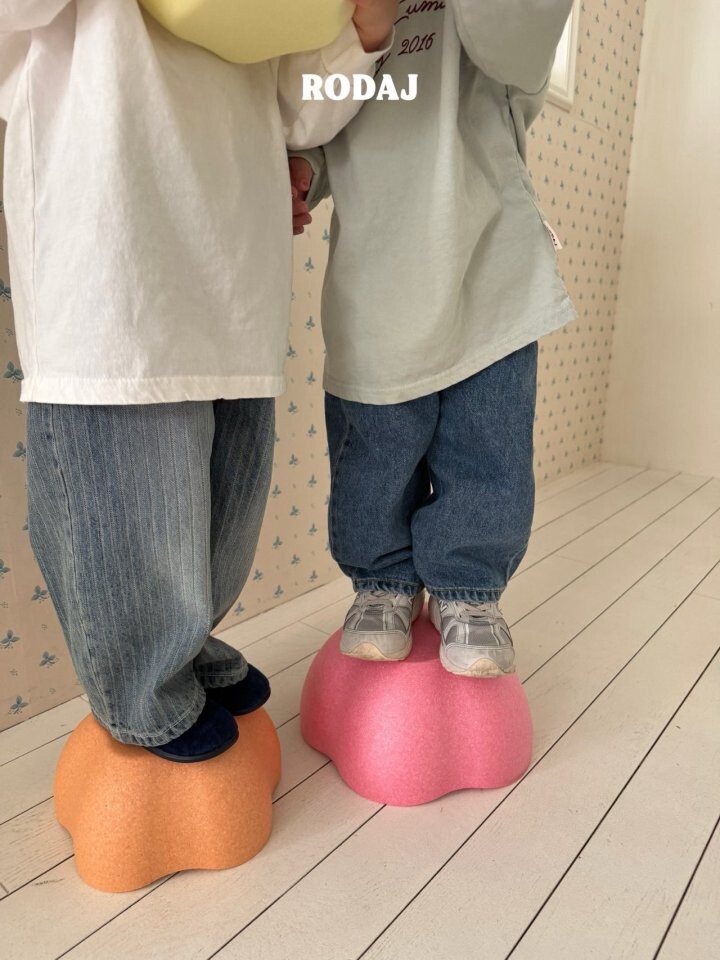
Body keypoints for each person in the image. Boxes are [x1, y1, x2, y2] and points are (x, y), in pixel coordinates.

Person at [0, 0, 397, 762]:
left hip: (235, 255)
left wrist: (366, 35)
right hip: (110, 244)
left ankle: (183, 643)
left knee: (223, 502)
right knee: (125, 491)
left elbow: (302, 111)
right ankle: (141, 688)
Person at [290, 0, 577, 678]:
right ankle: (381, 579)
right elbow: (322, 109)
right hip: (378, 270)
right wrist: (304, 167)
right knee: (375, 447)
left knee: (486, 440)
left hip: (489, 263)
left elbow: (521, 43)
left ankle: (468, 587)